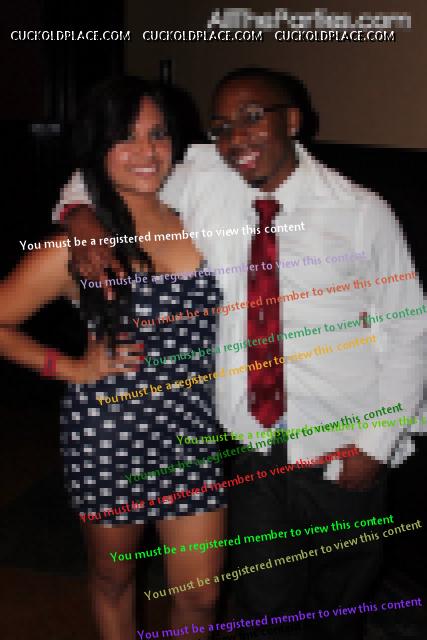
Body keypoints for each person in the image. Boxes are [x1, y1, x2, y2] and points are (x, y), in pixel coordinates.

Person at [53, 68, 424, 639]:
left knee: (340, 606)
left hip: (342, 447)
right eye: (222, 126)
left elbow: (408, 330)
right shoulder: (205, 180)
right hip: (249, 447)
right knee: (261, 608)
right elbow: (108, 168)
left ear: (292, 121)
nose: (236, 139)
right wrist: (79, 217)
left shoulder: (361, 212)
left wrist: (377, 443)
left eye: (253, 118)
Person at [0, 76, 226, 640]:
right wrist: (71, 369)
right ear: (97, 146)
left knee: (200, 594)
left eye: (158, 134)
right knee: (113, 578)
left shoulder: (201, 219)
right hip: (110, 432)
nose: (147, 151)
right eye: (125, 136)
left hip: (194, 425)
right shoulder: (81, 244)